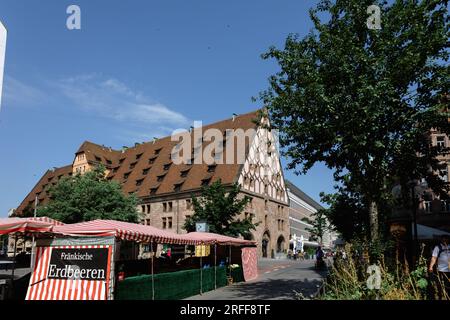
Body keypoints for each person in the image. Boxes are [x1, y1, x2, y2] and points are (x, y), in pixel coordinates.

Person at [428, 235, 450, 299]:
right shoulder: (438, 247)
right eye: (443, 239)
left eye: (446, 239)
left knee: (448, 285)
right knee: (443, 284)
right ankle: (442, 296)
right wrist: (431, 267)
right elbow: (434, 258)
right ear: (441, 240)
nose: (445, 240)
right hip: (442, 270)